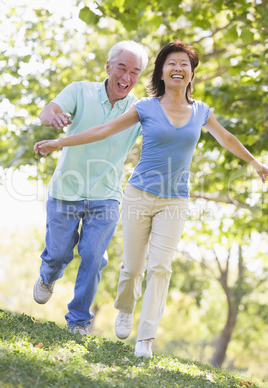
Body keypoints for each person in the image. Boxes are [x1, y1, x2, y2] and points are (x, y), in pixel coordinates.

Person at [34, 41, 268, 357]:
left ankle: (142, 337)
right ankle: (124, 306)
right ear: (161, 71)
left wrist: (255, 162)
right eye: (172, 63)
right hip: (137, 195)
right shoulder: (145, 107)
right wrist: (60, 143)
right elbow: (103, 130)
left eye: (185, 64)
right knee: (131, 268)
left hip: (171, 200)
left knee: (158, 266)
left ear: (191, 73)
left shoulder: (201, 112)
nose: (178, 68)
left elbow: (225, 137)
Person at [33, 40, 149, 336]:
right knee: (58, 253)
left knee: (94, 256)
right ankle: (49, 274)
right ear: (108, 66)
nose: (126, 77)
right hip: (66, 190)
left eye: (134, 72)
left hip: (106, 195)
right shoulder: (80, 90)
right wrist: (53, 117)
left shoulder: (138, 110)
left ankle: (79, 320)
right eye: (121, 68)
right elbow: (49, 111)